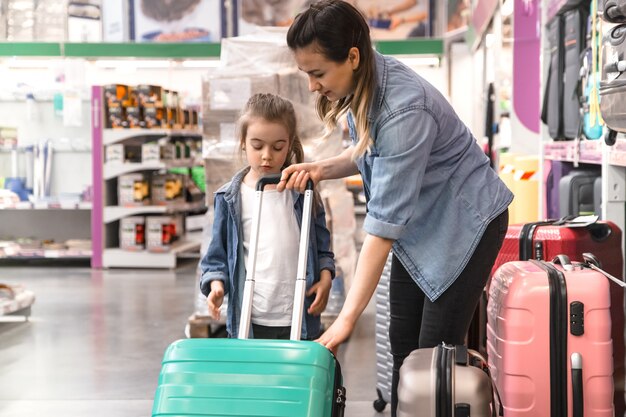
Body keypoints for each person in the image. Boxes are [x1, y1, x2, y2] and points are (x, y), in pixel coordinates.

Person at [280, 1, 512, 415]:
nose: (313, 86)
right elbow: (370, 150)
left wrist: (347, 317)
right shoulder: (366, 80)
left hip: (467, 225)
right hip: (422, 227)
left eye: (317, 73)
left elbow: (383, 229)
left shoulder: (403, 107)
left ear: (351, 56)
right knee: (403, 345)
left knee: (433, 359)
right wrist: (322, 168)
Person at [199, 93, 335, 340]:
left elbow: (322, 249)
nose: (267, 155)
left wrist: (326, 278)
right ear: (243, 142)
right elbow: (216, 257)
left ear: (290, 143)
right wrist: (216, 286)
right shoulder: (230, 198)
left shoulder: (304, 192)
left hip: (298, 315)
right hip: (251, 319)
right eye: (257, 145)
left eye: (278, 147)